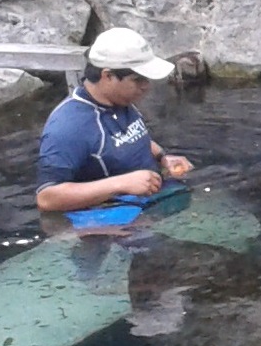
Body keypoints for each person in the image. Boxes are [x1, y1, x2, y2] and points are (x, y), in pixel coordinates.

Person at [36, 27, 194, 213]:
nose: (146, 86)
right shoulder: (69, 127)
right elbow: (46, 198)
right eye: (138, 79)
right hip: (113, 218)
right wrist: (121, 184)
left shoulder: (120, 100)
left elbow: (123, 138)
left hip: (149, 198)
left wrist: (162, 157)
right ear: (108, 75)